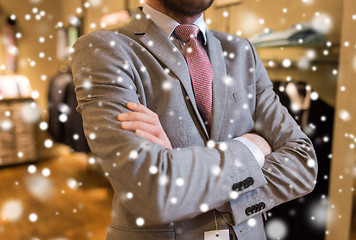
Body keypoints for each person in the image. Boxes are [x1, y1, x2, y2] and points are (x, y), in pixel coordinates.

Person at [71, 0, 317, 239]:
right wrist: (252, 148)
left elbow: (303, 163)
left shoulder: (242, 51)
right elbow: (150, 190)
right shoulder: (105, 49)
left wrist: (179, 171)